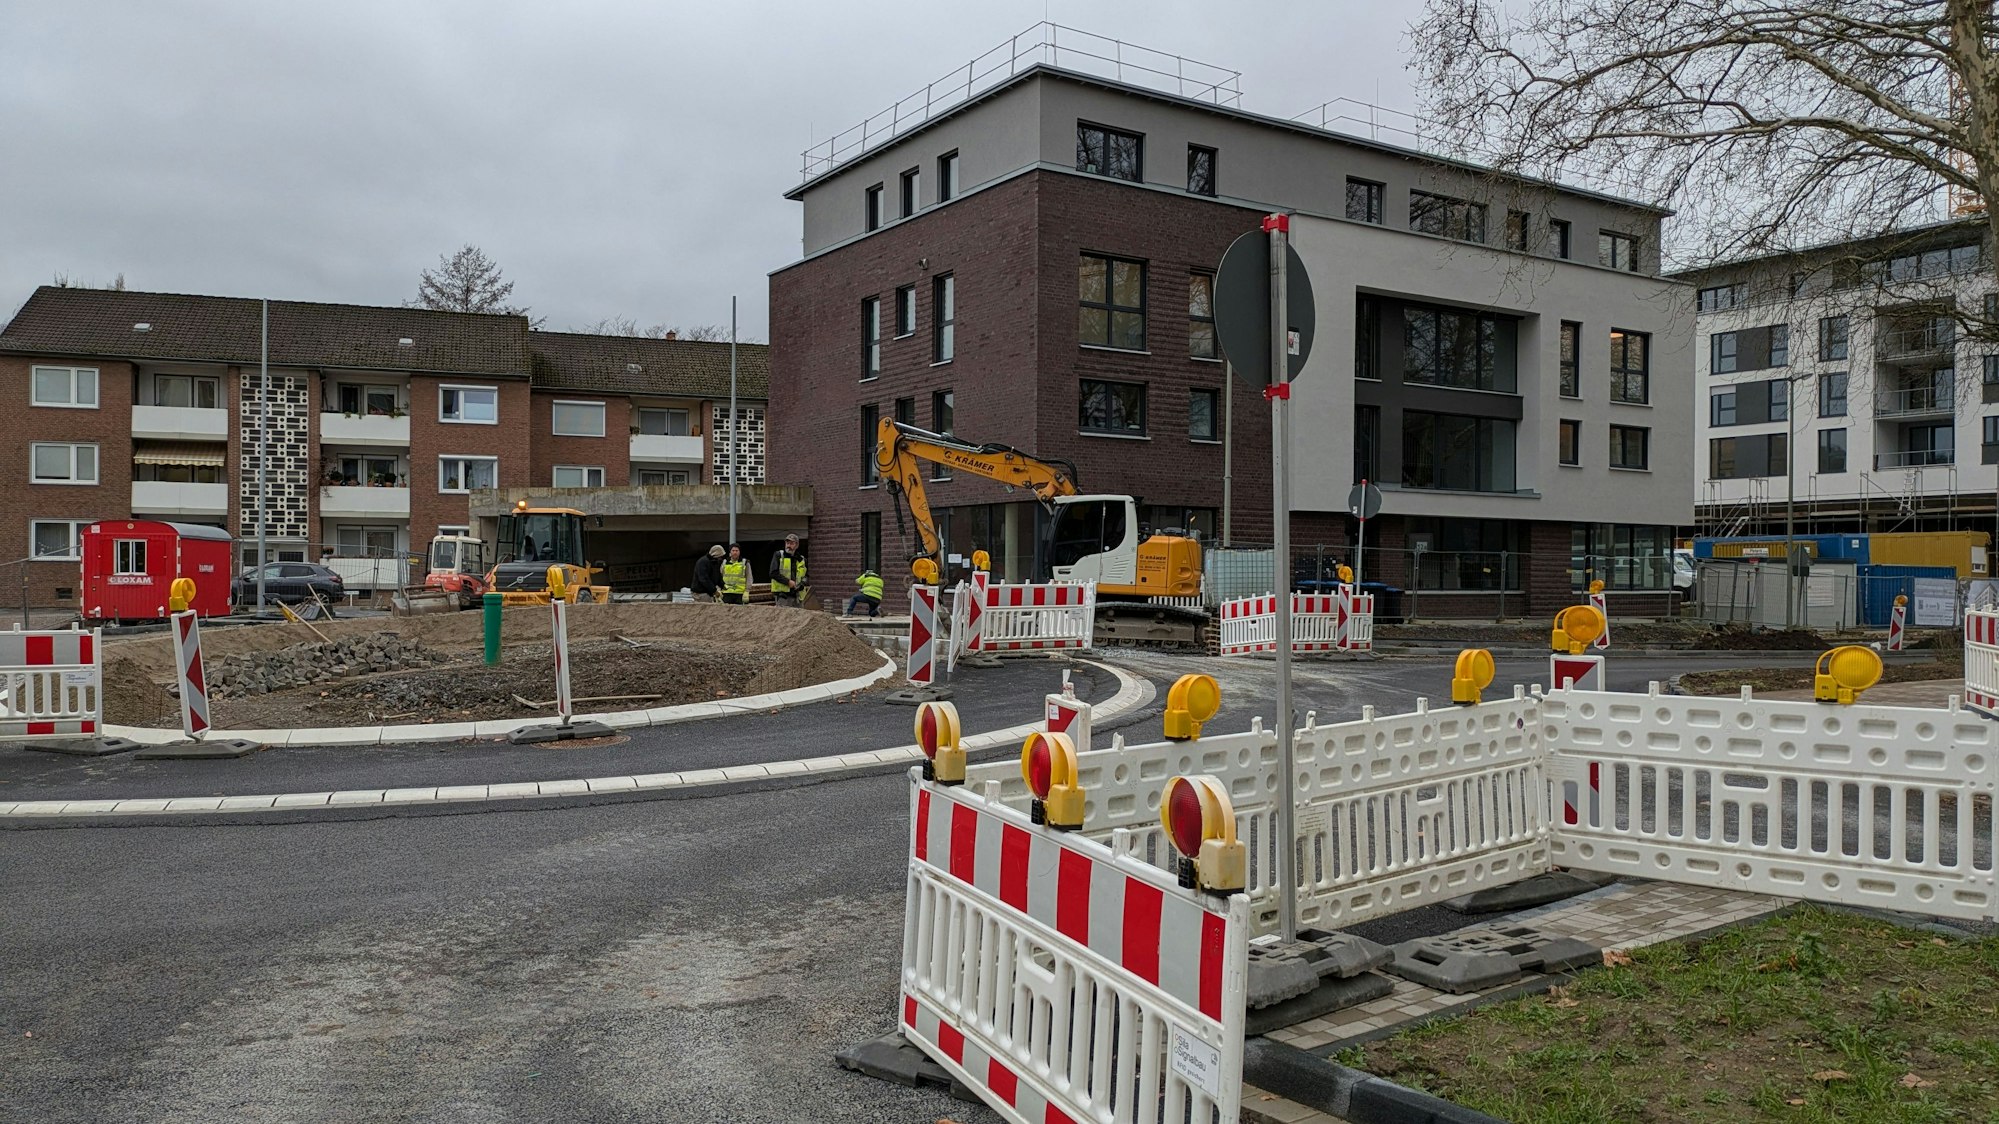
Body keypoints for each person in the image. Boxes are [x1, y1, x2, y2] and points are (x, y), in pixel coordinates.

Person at [769, 533, 808, 608]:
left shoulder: (801, 559)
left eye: (792, 543)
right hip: (783, 596)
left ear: (797, 545)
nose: (789, 545)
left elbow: (806, 576)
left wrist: (802, 583)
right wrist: (788, 582)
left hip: (798, 596)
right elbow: (773, 573)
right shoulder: (779, 555)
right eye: (787, 543)